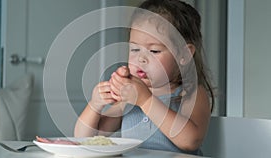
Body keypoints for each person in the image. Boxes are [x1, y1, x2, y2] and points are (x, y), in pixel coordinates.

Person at [74, 0, 214, 155]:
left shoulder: (191, 93)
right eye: (134, 49)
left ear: (184, 55)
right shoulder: (128, 97)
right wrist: (95, 105)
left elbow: (190, 141)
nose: (141, 59)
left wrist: (146, 101)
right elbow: (85, 138)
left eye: (154, 51)